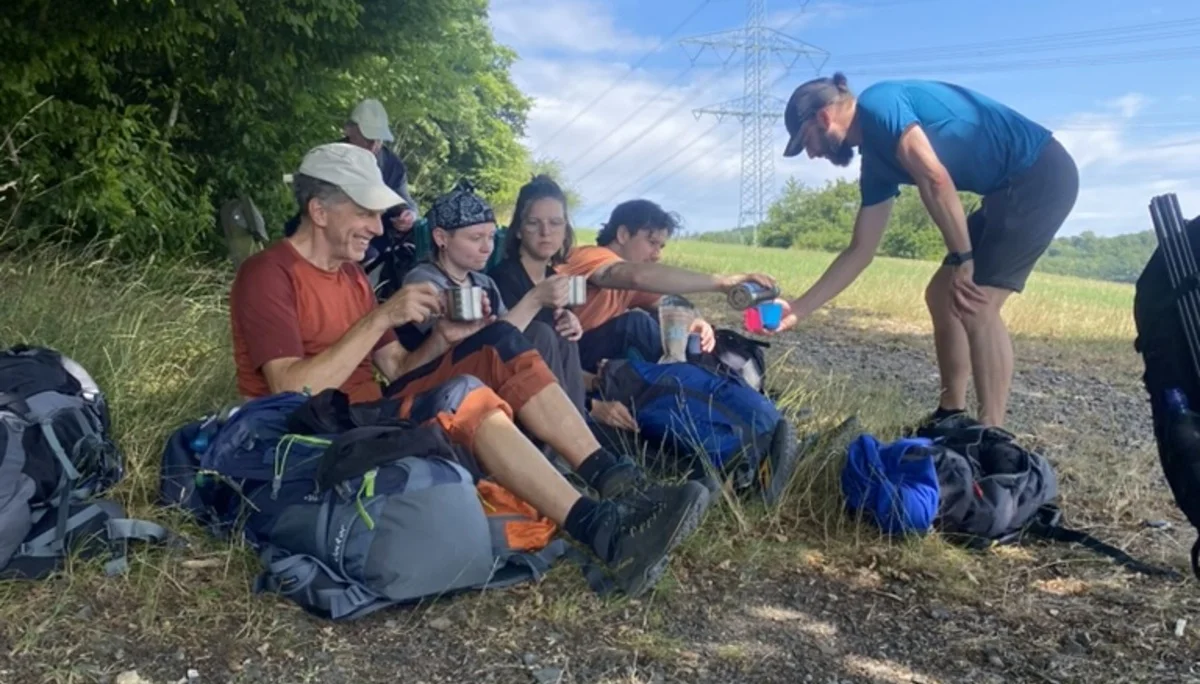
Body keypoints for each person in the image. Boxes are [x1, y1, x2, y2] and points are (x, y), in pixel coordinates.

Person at [228, 142, 712, 597]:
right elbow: (289, 389)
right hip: (307, 433)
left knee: (498, 341)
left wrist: (443, 340)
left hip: (364, 413)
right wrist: (382, 315)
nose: (377, 228)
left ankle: (621, 483)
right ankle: (601, 530)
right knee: (465, 395)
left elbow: (396, 368)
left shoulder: (352, 276)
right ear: (319, 211)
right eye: (365, 213)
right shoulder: (269, 273)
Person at [775, 73, 1079, 428]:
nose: (811, 154)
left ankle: (990, 434)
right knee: (940, 294)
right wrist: (799, 308)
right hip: (1004, 191)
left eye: (806, 140)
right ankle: (950, 415)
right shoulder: (875, 162)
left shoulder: (879, 103)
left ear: (824, 117)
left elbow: (934, 178)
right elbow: (860, 250)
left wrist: (963, 258)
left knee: (975, 302)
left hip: (1038, 176)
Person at [396, 179, 587, 417]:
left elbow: (508, 333)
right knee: (541, 333)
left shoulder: (483, 282)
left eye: (490, 237)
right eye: (476, 238)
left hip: (480, 372)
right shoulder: (422, 281)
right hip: (443, 382)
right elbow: (498, 339)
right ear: (441, 238)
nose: (487, 247)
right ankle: (558, 437)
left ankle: (576, 427)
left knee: (557, 335)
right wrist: (536, 298)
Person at [556, 198, 778, 373]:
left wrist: (696, 319)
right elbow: (635, 277)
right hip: (561, 354)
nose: (657, 255)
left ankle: (716, 383)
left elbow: (669, 302)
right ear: (623, 234)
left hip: (584, 354)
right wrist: (722, 283)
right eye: (652, 243)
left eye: (661, 246)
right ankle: (687, 385)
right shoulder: (591, 257)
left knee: (673, 327)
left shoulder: (628, 282)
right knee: (635, 325)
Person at [489, 175, 637, 433]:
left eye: (555, 223)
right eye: (534, 223)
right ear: (519, 229)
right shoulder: (503, 279)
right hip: (515, 402)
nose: (546, 233)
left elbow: (561, 358)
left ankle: (578, 434)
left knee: (566, 337)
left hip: (561, 402)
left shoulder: (555, 279)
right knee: (543, 333)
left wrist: (572, 323)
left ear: (565, 229)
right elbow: (500, 347)